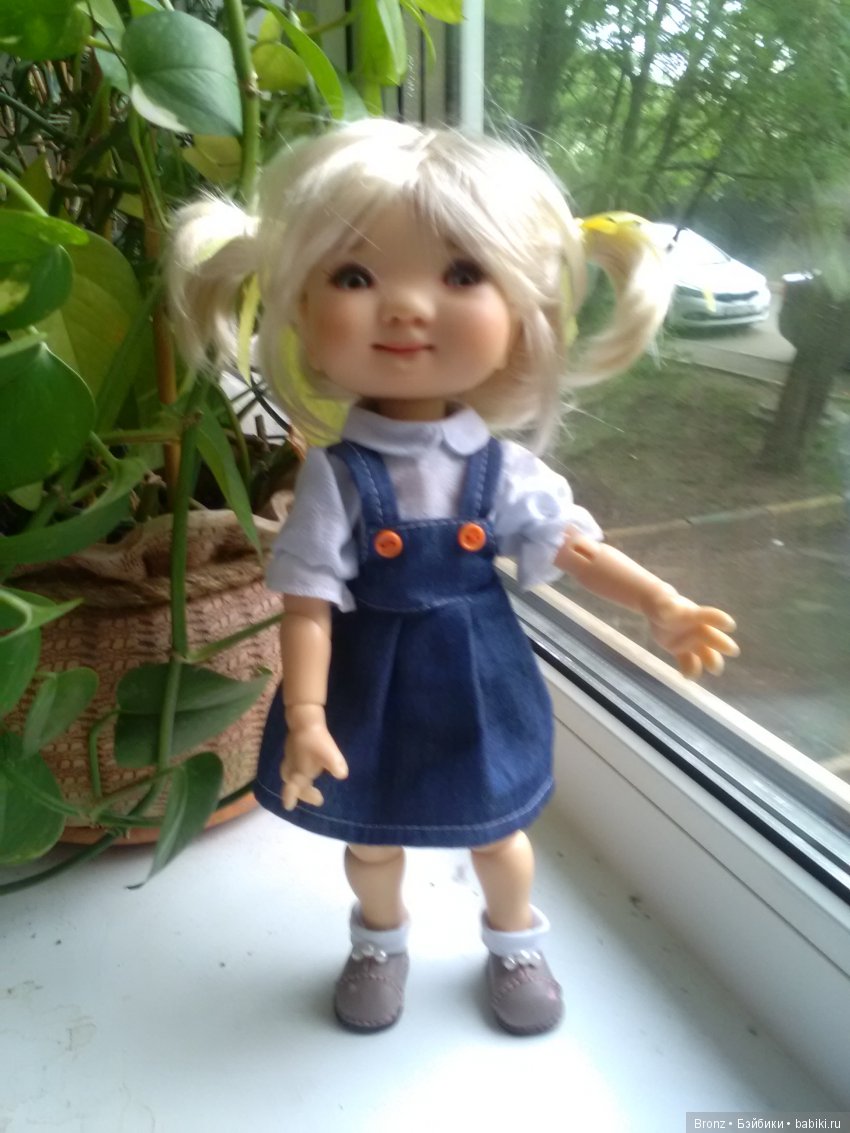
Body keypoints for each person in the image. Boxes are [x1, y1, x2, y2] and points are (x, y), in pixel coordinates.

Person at [166, 118, 738, 1037]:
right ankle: (378, 942)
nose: (404, 306)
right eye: (355, 276)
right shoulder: (336, 477)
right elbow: (307, 604)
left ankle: (515, 943)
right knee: (372, 837)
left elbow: (574, 549)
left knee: (499, 832)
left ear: (520, 317)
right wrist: (306, 715)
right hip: (368, 685)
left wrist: (659, 603)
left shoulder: (501, 471)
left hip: (477, 677)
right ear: (300, 312)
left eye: (462, 274)